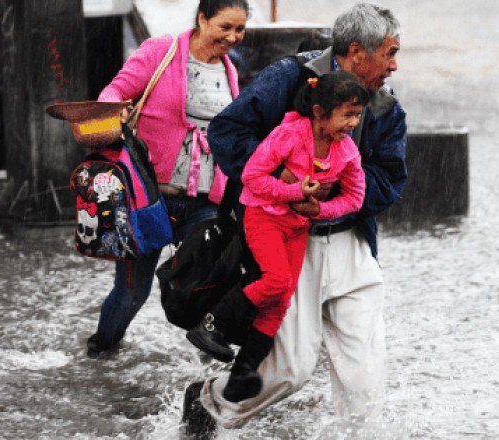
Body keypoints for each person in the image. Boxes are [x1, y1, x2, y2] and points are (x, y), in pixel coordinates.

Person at [182, 2, 406, 436]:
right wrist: (281, 178)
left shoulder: (386, 108)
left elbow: (389, 179)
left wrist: (334, 196)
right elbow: (228, 133)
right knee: (290, 370)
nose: (395, 66)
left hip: (351, 240)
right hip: (287, 239)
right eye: (390, 53)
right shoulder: (287, 79)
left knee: (365, 380)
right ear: (357, 51)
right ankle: (209, 402)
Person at [185, 71, 369, 403]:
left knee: (280, 300)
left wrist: (318, 211)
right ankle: (212, 324)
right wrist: (292, 191)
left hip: (297, 225)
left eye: (357, 115)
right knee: (278, 280)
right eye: (346, 115)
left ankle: (244, 371)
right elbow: (252, 176)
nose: (352, 123)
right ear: (319, 113)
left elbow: (355, 199)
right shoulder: (289, 134)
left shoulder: (347, 152)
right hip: (263, 216)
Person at [86, 0, 249, 358]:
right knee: (131, 292)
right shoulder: (162, 51)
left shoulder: (229, 69)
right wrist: (116, 110)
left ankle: (211, 369)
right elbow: (114, 92)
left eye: (239, 29)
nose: (232, 37)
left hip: (205, 201)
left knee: (210, 281)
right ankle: (101, 351)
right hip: (149, 200)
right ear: (203, 18)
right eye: (225, 27)